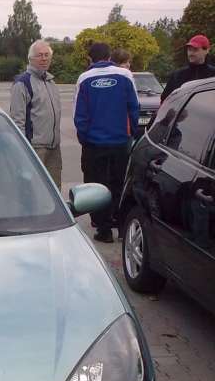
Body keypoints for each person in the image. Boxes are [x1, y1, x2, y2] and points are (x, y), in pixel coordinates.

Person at [74, 41, 139, 243]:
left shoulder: (84, 78)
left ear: (90, 59)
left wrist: (84, 139)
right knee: (119, 183)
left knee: (96, 186)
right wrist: (132, 133)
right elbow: (134, 107)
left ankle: (103, 230)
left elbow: (80, 114)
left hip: (94, 144)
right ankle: (121, 226)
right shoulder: (125, 75)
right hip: (120, 142)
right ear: (109, 57)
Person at [9, 39, 62, 188]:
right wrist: (22, 151)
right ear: (30, 58)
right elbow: (17, 121)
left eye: (46, 55)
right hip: (35, 149)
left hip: (54, 149)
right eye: (39, 55)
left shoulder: (51, 82)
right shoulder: (22, 83)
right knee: (34, 189)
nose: (44, 58)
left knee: (54, 190)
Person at [161, 35, 215, 102]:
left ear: (206, 50)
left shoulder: (213, 74)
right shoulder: (177, 75)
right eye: (189, 50)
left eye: (195, 50)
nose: (191, 53)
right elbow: (165, 100)